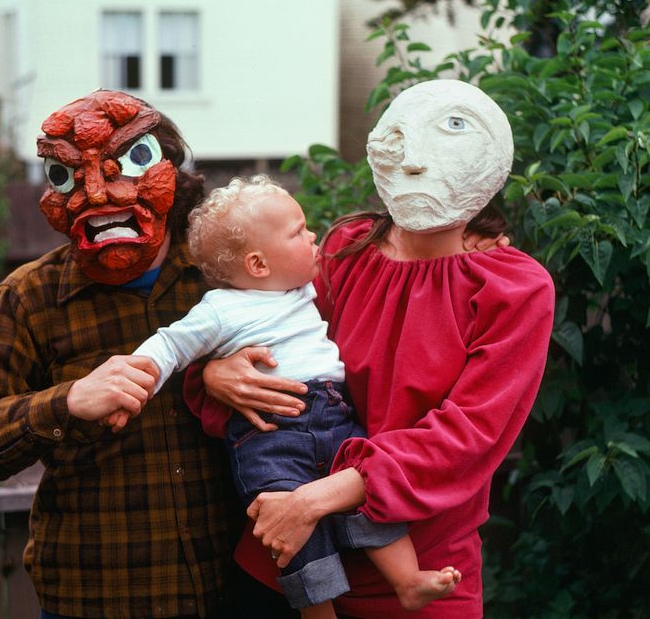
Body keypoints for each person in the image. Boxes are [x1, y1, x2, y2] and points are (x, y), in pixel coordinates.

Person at [186, 79, 556, 618]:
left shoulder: (513, 288)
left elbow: (468, 435)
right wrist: (214, 374)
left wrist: (313, 500)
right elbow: (255, 319)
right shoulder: (343, 249)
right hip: (287, 560)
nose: (414, 164)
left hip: (420, 572)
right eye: (401, 141)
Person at [104, 175, 461, 618]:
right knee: (291, 531)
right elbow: (170, 345)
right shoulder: (221, 309)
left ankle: (407, 580)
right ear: (257, 265)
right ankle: (319, 613)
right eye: (297, 232)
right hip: (271, 438)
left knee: (367, 495)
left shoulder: (302, 288)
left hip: (333, 417)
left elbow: (397, 267)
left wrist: (473, 233)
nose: (313, 235)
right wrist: (132, 385)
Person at [0, 90, 242, 618]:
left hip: (237, 588)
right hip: (98, 595)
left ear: (168, 167)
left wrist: (219, 372)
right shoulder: (30, 296)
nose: (98, 195)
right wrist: (66, 403)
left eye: (130, 163)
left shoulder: (229, 272)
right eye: (68, 178)